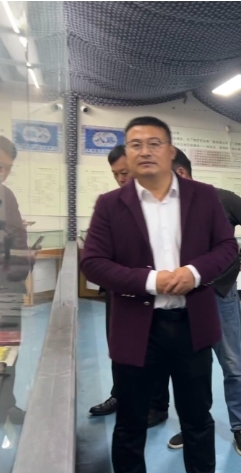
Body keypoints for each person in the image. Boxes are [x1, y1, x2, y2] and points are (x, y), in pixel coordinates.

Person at [81, 116, 238, 473]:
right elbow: (93, 263)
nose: (145, 151)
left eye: (154, 143)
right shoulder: (110, 205)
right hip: (137, 329)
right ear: (126, 154)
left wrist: (194, 272)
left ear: (170, 151)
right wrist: (150, 281)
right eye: (135, 144)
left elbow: (226, 248)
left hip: (191, 326)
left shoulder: (204, 196)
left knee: (197, 415)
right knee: (131, 420)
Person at [164, 147, 241, 456]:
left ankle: (240, 427)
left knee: (232, 363)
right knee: (190, 367)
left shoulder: (222, 199)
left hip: (220, 296)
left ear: (181, 173)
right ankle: (194, 424)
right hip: (185, 299)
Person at [88, 144, 169, 428]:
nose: (121, 178)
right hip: (119, 289)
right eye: (116, 174)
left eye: (125, 172)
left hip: (154, 291)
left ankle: (157, 406)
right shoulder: (112, 206)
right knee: (119, 346)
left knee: (154, 350)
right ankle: (119, 395)